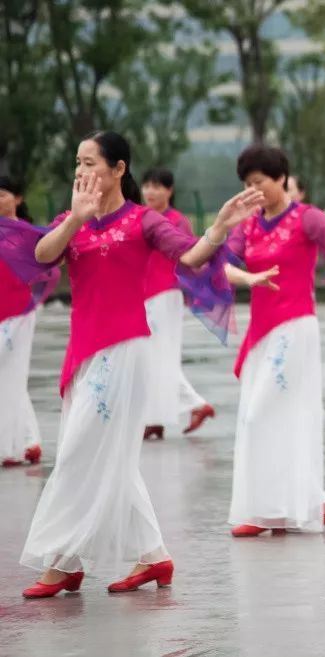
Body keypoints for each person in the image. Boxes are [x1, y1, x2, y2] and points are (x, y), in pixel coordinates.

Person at [0, 130, 259, 598]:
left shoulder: (143, 221)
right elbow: (42, 256)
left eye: (90, 163)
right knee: (113, 458)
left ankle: (62, 562)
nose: (80, 172)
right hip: (82, 352)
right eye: (76, 163)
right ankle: (154, 557)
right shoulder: (70, 220)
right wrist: (75, 219)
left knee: (79, 450)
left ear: (119, 169)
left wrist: (218, 228)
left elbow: (192, 256)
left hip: (123, 351)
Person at [223, 144, 325, 537]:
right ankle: (310, 499)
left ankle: (277, 508)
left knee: (261, 414)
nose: (253, 190)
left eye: (259, 182)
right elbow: (224, 265)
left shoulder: (306, 218)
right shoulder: (247, 225)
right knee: (264, 414)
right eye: (247, 184)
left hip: (294, 328)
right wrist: (244, 276)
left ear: (281, 178)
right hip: (260, 332)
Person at [139, 167, 215, 439]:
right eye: (147, 186)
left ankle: (195, 405)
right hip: (145, 295)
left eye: (157, 186)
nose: (150, 191)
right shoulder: (141, 217)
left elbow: (190, 254)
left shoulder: (176, 220)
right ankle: (155, 418)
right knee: (149, 357)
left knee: (159, 356)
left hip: (165, 294)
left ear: (169, 191)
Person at [0, 177, 57, 468]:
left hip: (20, 312)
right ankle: (29, 441)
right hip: (1, 310)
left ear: (18, 199)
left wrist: (34, 299)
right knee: (10, 375)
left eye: (3, 194)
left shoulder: (26, 233)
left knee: (10, 372)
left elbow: (50, 268)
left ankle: (10, 448)